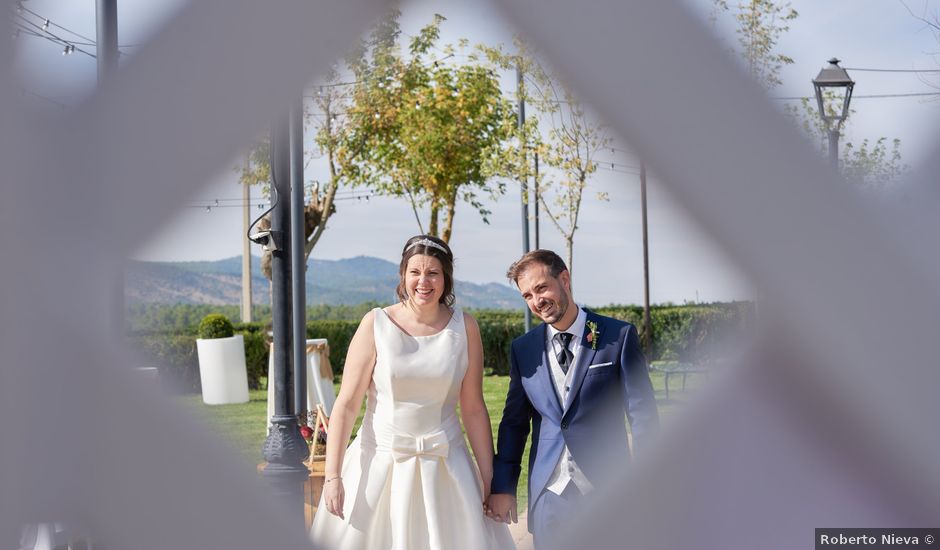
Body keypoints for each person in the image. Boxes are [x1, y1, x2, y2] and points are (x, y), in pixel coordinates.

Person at [310, 235, 514, 550]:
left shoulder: (466, 327)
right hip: (379, 464)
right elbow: (347, 405)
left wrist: (488, 479)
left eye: (433, 272)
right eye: (415, 272)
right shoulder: (375, 323)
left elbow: (473, 408)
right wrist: (333, 476)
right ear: (403, 275)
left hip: (447, 466)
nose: (423, 281)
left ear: (446, 278)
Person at [486, 250, 659, 547]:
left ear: (564, 279)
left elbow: (642, 414)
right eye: (527, 295)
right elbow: (514, 424)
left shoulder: (618, 336)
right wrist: (503, 487)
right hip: (550, 497)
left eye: (541, 288)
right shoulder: (524, 349)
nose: (536, 301)